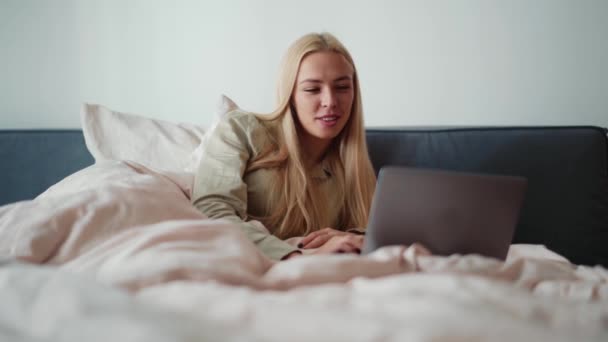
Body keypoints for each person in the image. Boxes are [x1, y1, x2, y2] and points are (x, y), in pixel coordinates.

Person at [191, 32, 376, 261]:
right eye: (312, 89)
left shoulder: (352, 165)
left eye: (342, 87)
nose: (330, 101)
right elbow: (211, 210)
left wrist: (351, 238)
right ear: (290, 94)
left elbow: (375, 233)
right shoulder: (241, 128)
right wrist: (294, 258)